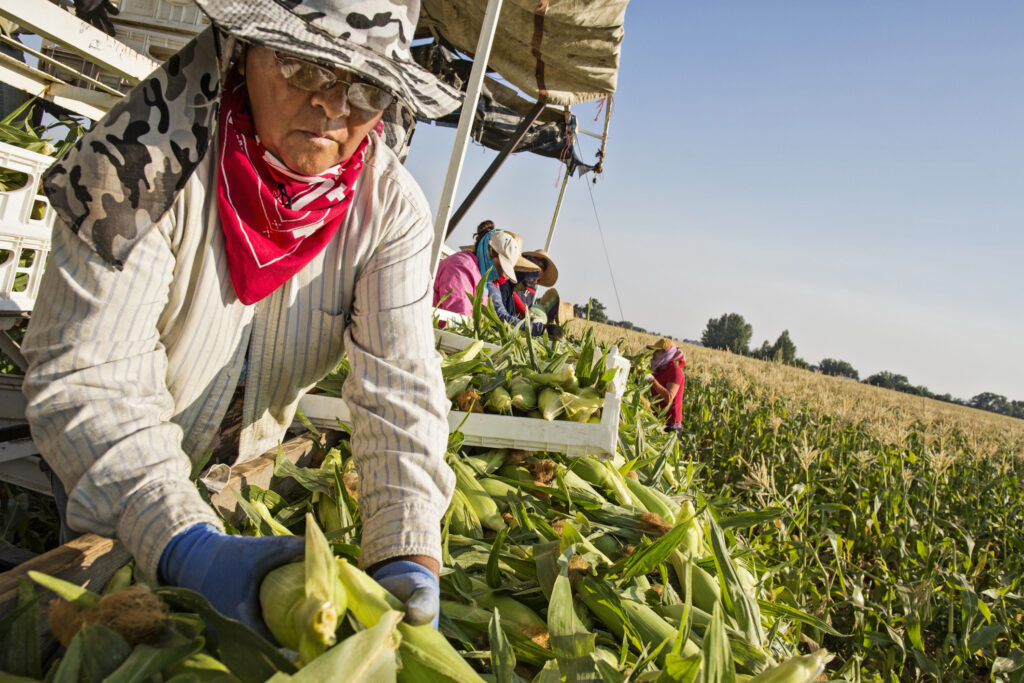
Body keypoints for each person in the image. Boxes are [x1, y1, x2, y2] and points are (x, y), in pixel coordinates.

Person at [21, 0, 463, 636]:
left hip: (246, 473)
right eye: (305, 67)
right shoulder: (137, 161)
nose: (334, 107)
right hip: (119, 474)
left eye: (367, 87)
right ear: (245, 49)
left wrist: (407, 548)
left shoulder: (389, 212)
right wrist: (181, 541)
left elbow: (402, 391)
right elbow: (89, 372)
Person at [432, 219, 539, 317]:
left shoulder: (482, 278)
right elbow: (459, 316)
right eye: (502, 266)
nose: (503, 275)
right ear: (490, 252)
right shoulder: (460, 268)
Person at [491, 249, 567, 339]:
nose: (524, 288)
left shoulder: (510, 288)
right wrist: (541, 328)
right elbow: (501, 316)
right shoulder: (498, 286)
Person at [647, 339, 686, 432]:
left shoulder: (675, 371)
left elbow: (669, 397)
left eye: (657, 351)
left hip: (670, 425)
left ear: (666, 353)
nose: (653, 354)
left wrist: (652, 380)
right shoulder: (657, 370)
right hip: (657, 421)